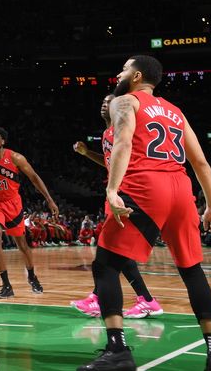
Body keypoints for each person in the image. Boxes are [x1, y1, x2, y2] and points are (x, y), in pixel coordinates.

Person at [77, 55, 211, 371]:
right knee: (192, 269)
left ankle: (118, 351)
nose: (119, 73)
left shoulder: (125, 101)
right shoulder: (175, 111)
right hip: (181, 188)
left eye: (124, 68)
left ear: (137, 75)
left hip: (145, 184)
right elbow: (201, 163)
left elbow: (124, 141)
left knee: (105, 266)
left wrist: (112, 190)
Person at [71, 95, 163, 319]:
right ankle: (115, 297)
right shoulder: (107, 133)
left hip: (128, 192)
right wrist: (87, 154)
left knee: (112, 248)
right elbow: (110, 162)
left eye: (109, 101)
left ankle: (141, 299)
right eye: (102, 101)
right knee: (116, 250)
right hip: (115, 192)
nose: (104, 104)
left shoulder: (124, 128)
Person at [0, 126, 59, 299]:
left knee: (22, 244)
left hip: (13, 204)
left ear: (3, 141)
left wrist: (49, 199)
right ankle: (6, 285)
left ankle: (32, 277)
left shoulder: (15, 157)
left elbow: (34, 178)